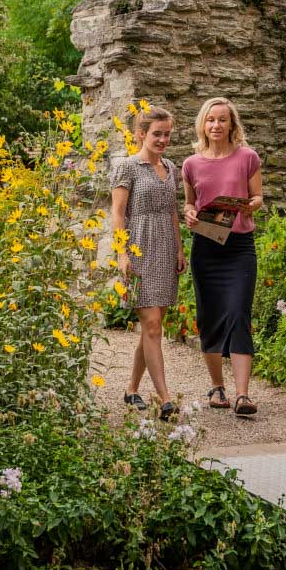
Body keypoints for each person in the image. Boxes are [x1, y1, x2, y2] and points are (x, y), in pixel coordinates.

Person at [182, 96, 263, 418]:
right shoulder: (191, 164)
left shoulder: (247, 157)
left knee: (239, 314)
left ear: (232, 124)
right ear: (203, 124)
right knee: (210, 317)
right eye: (210, 120)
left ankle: (243, 395)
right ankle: (218, 387)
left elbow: (258, 196)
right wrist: (188, 213)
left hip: (240, 247)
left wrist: (248, 205)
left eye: (222, 120)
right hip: (206, 247)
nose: (216, 125)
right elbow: (190, 203)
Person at [110, 105, 185, 419]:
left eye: (167, 134)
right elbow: (117, 213)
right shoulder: (127, 167)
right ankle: (165, 398)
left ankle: (131, 388)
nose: (163, 139)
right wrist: (122, 252)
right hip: (139, 248)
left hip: (166, 249)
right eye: (157, 134)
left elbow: (172, 212)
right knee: (152, 326)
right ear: (141, 134)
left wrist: (180, 250)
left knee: (153, 327)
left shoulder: (170, 167)